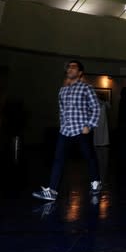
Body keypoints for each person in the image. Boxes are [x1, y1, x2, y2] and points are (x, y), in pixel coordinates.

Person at [33, 60, 102, 200]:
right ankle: (52, 191)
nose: (69, 69)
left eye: (73, 67)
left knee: (89, 157)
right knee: (58, 159)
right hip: (65, 131)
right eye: (68, 67)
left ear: (80, 72)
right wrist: (62, 124)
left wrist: (89, 125)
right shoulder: (62, 90)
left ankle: (96, 182)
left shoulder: (86, 88)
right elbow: (62, 110)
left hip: (82, 129)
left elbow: (96, 107)